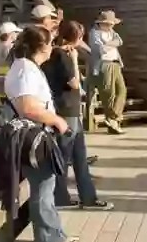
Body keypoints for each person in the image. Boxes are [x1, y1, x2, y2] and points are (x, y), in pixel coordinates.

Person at [3, 25, 78, 242]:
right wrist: (57, 120)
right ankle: (48, 241)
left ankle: (54, 234)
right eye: (51, 42)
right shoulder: (25, 69)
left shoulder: (26, 66)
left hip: (36, 133)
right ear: (42, 46)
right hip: (34, 134)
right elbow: (27, 106)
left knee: (46, 185)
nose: (52, 47)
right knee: (43, 188)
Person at [42, 21, 113, 211]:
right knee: (64, 157)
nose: (81, 40)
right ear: (74, 37)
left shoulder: (55, 53)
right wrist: (73, 59)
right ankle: (60, 197)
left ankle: (87, 197)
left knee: (79, 157)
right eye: (80, 37)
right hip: (67, 110)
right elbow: (74, 82)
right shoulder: (61, 55)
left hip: (69, 110)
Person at [90, 10, 127, 134]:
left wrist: (108, 44)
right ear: (101, 23)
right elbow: (100, 49)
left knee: (122, 90)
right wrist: (111, 44)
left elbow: (120, 41)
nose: (111, 26)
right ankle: (112, 122)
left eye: (112, 24)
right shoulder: (94, 33)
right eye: (108, 24)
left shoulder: (112, 33)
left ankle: (113, 117)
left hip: (116, 63)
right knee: (108, 92)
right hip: (104, 64)